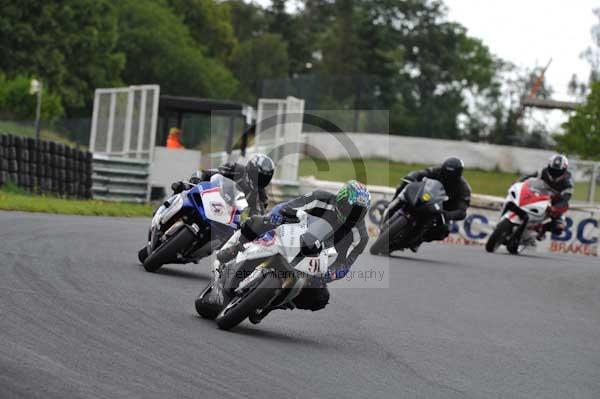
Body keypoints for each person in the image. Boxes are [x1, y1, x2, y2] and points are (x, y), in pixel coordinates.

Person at [206, 180, 371, 315]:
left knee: (320, 298)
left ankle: (275, 303)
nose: (353, 216)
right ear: (341, 201)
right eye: (351, 209)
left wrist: (329, 275)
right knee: (258, 221)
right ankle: (235, 248)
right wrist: (277, 216)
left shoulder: (361, 236)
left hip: (316, 259)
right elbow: (288, 206)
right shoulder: (321, 198)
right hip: (294, 233)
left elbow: (345, 264)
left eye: (359, 212)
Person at [388, 156, 471, 248]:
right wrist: (411, 177)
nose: (447, 177)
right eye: (446, 173)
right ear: (443, 168)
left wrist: (447, 214)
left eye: (451, 175)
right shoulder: (437, 170)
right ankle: (390, 205)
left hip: (441, 209)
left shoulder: (463, 188)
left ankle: (418, 240)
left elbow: (462, 211)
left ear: (458, 174)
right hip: (425, 197)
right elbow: (420, 173)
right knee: (404, 186)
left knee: (443, 230)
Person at [171, 153, 275, 215]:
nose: (259, 180)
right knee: (183, 187)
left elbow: (258, 216)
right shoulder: (236, 169)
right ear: (251, 169)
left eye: (264, 178)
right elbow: (206, 173)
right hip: (209, 200)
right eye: (258, 176)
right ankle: (166, 212)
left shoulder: (261, 197)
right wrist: (196, 180)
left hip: (228, 219)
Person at [519, 154, 573, 238]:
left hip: (554, 201)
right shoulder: (543, 171)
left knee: (559, 227)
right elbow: (527, 177)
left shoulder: (568, 182)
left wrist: (555, 208)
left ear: (564, 170)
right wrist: (518, 183)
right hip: (539, 194)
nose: (555, 173)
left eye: (558, 171)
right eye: (552, 170)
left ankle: (542, 229)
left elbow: (566, 198)